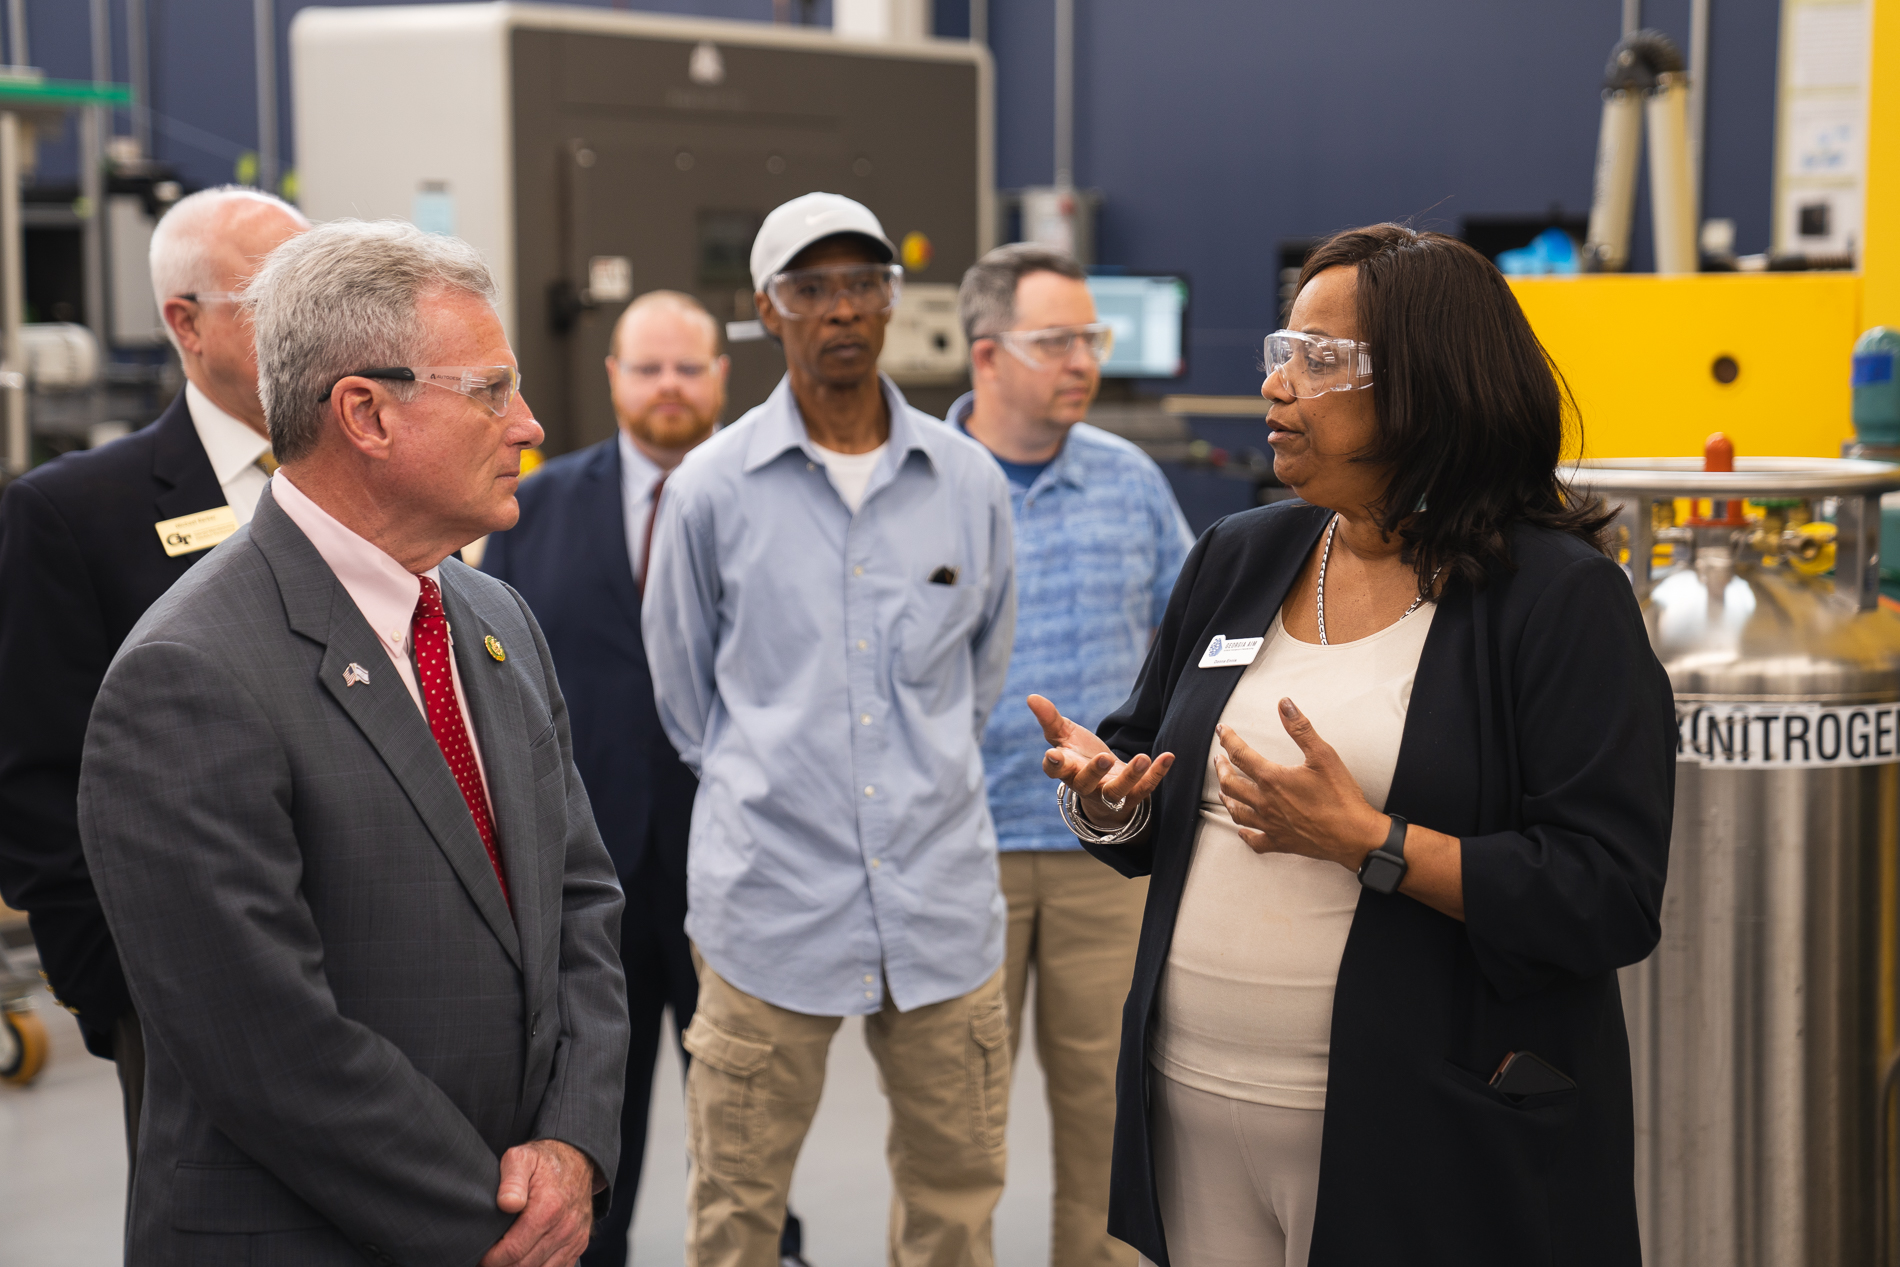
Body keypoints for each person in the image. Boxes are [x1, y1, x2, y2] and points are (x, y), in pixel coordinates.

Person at [1032, 224, 1674, 1267]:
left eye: (1319, 361)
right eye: (1281, 353)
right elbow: (1147, 751)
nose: (1278, 386)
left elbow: (1607, 891)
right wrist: (1110, 799)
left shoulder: (1557, 598)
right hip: (1197, 1112)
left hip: (1426, 1138)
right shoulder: (1242, 555)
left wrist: (1370, 840)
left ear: (1428, 386)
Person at [78, 219, 629, 1266]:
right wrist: (496, 1219)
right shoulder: (189, 673)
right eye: (490, 390)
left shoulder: (495, 618)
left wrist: (571, 1143)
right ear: (365, 412)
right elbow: (269, 1045)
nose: (529, 422)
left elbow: (582, 903)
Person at [643, 192, 1017, 1267]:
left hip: (939, 904)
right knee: (735, 1209)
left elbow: (978, 679)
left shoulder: (968, 483)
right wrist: (779, 784)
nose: (842, 309)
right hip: (769, 905)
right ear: (767, 308)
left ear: (892, 302)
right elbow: (684, 698)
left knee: (956, 1205)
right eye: (812, 289)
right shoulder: (710, 489)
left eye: (864, 284)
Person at [481, 291, 814, 1267]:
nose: (669, 386)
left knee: (750, 1099)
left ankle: (768, 1248)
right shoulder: (532, 506)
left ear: (721, 376)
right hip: (587, 876)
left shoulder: (778, 500)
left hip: (743, 862)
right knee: (587, 1105)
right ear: (612, 378)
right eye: (648, 367)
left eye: (688, 367)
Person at [0, 185, 307, 1165]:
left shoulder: (369, 479)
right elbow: (40, 771)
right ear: (186, 322)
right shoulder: (75, 515)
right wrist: (113, 985)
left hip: (378, 962)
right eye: (278, 298)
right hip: (183, 989)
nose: (314, 323)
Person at [948, 243, 1192, 1267]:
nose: (1082, 360)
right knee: (950, 1139)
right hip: (958, 858)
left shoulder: (1130, 481)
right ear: (987, 356)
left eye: (1089, 338)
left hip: (1106, 856)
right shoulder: (923, 483)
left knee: (1110, 1137)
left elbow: (1188, 643)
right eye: (1056, 341)